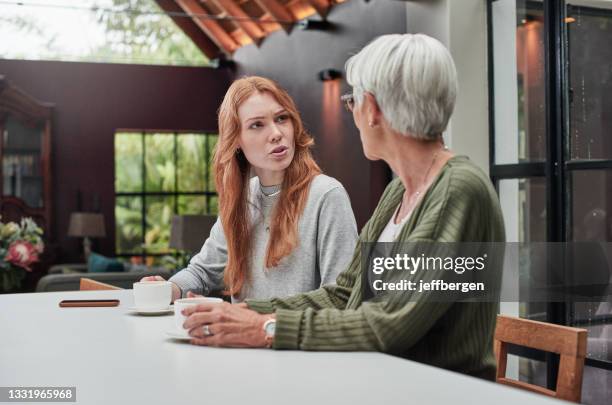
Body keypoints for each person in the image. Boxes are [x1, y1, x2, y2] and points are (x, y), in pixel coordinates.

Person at [180, 34, 506, 379]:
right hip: (387, 381)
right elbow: (344, 293)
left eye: (352, 101)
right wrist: (248, 312)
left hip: (434, 393)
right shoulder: (400, 192)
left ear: (374, 109)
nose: (351, 112)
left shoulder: (457, 190)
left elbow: (390, 323)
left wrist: (266, 327)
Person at [143, 76, 358, 303]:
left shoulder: (326, 195)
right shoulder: (243, 198)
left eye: (281, 118)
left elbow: (340, 297)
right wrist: (169, 288)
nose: (276, 133)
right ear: (236, 139)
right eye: (257, 124)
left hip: (291, 337)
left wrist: (258, 322)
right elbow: (202, 271)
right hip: (237, 339)